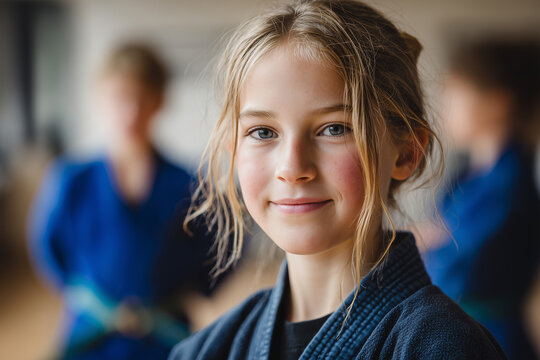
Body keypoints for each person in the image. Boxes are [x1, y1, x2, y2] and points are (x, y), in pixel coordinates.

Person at [168, 1, 506, 359]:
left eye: (334, 128)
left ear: (406, 152)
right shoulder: (201, 352)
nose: (293, 167)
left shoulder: (444, 346)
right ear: (232, 149)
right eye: (263, 132)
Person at [29, 43, 218, 359]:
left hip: (164, 335)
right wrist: (83, 292)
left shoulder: (190, 183)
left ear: (159, 102)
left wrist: (192, 290)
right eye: (120, 98)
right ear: (100, 100)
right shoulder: (71, 179)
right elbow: (49, 247)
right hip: (91, 333)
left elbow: (214, 251)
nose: (131, 112)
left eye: (141, 98)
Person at [422, 38, 540, 359]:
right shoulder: (468, 171)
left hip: (490, 332)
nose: (445, 105)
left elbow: (460, 256)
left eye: (456, 94)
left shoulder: (512, 178)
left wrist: (427, 239)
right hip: (457, 326)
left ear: (497, 103)